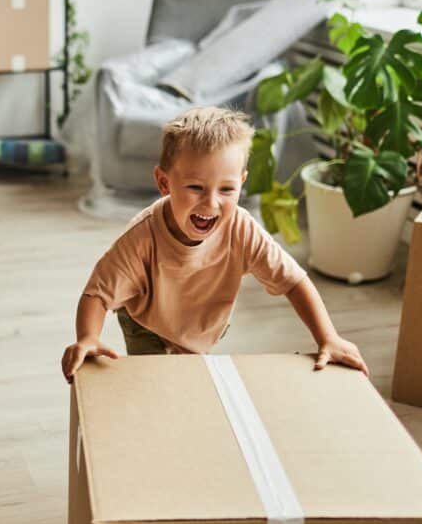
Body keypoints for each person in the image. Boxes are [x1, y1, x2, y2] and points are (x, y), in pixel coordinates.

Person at [61, 106, 367, 382]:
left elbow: (293, 281)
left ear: (241, 182)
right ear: (164, 182)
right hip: (148, 320)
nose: (211, 203)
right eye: (195, 187)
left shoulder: (242, 229)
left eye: (227, 189)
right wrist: (88, 337)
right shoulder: (142, 238)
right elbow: (97, 293)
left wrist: (328, 337)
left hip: (200, 318)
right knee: (156, 382)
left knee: (193, 375)